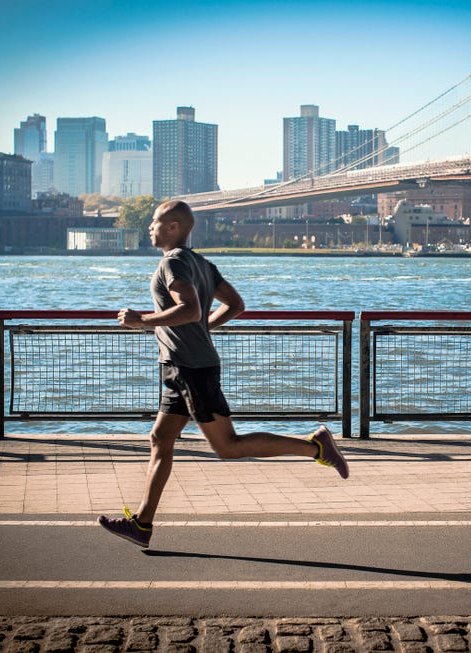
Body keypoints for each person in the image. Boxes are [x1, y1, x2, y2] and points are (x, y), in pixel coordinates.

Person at [99, 200, 348, 548]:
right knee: (160, 440)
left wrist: (142, 320)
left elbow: (188, 309)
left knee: (227, 446)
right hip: (182, 366)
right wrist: (204, 327)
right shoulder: (201, 263)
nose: (150, 228)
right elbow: (236, 305)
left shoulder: (172, 263)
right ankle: (142, 523)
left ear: (173, 227)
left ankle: (314, 447)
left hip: (191, 368)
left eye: (155, 222)